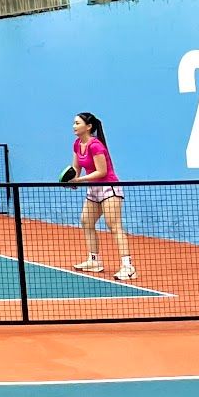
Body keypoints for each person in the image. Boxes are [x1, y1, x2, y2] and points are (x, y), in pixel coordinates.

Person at [69, 111, 135, 281]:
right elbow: (76, 168)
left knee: (114, 226)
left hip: (109, 188)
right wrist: (72, 180)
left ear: (88, 127)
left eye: (77, 123)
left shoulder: (95, 145)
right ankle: (94, 260)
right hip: (93, 189)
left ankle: (128, 268)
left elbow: (102, 171)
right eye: (74, 123)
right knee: (86, 221)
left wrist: (79, 180)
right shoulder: (77, 144)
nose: (74, 126)